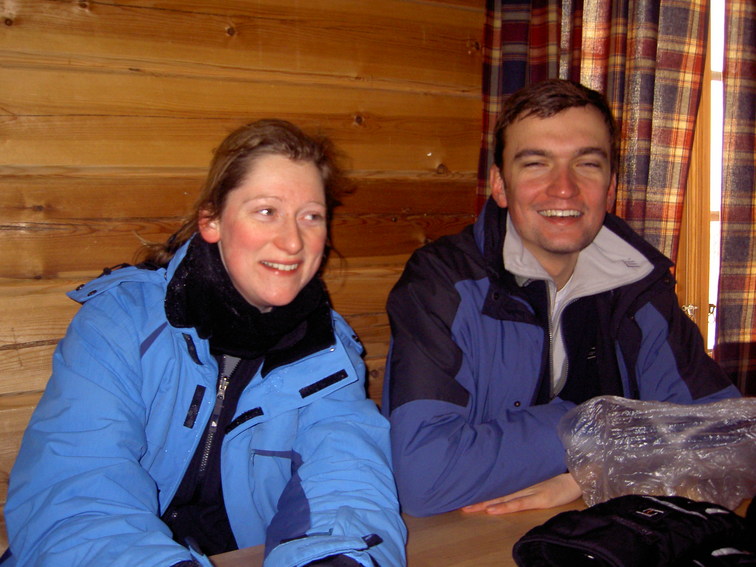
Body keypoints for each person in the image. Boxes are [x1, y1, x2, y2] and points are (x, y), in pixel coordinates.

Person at [2, 119, 406, 566]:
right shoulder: (120, 322)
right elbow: (74, 491)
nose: (293, 241)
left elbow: (349, 479)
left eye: (311, 216)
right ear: (212, 220)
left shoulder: (327, 350)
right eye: (267, 211)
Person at [382, 79, 741, 518]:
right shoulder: (441, 284)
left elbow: (729, 435)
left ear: (610, 187)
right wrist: (590, 430)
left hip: (610, 526)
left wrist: (593, 472)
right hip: (475, 535)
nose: (565, 188)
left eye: (587, 164)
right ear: (500, 185)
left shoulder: (639, 285)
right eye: (536, 164)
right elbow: (425, 476)